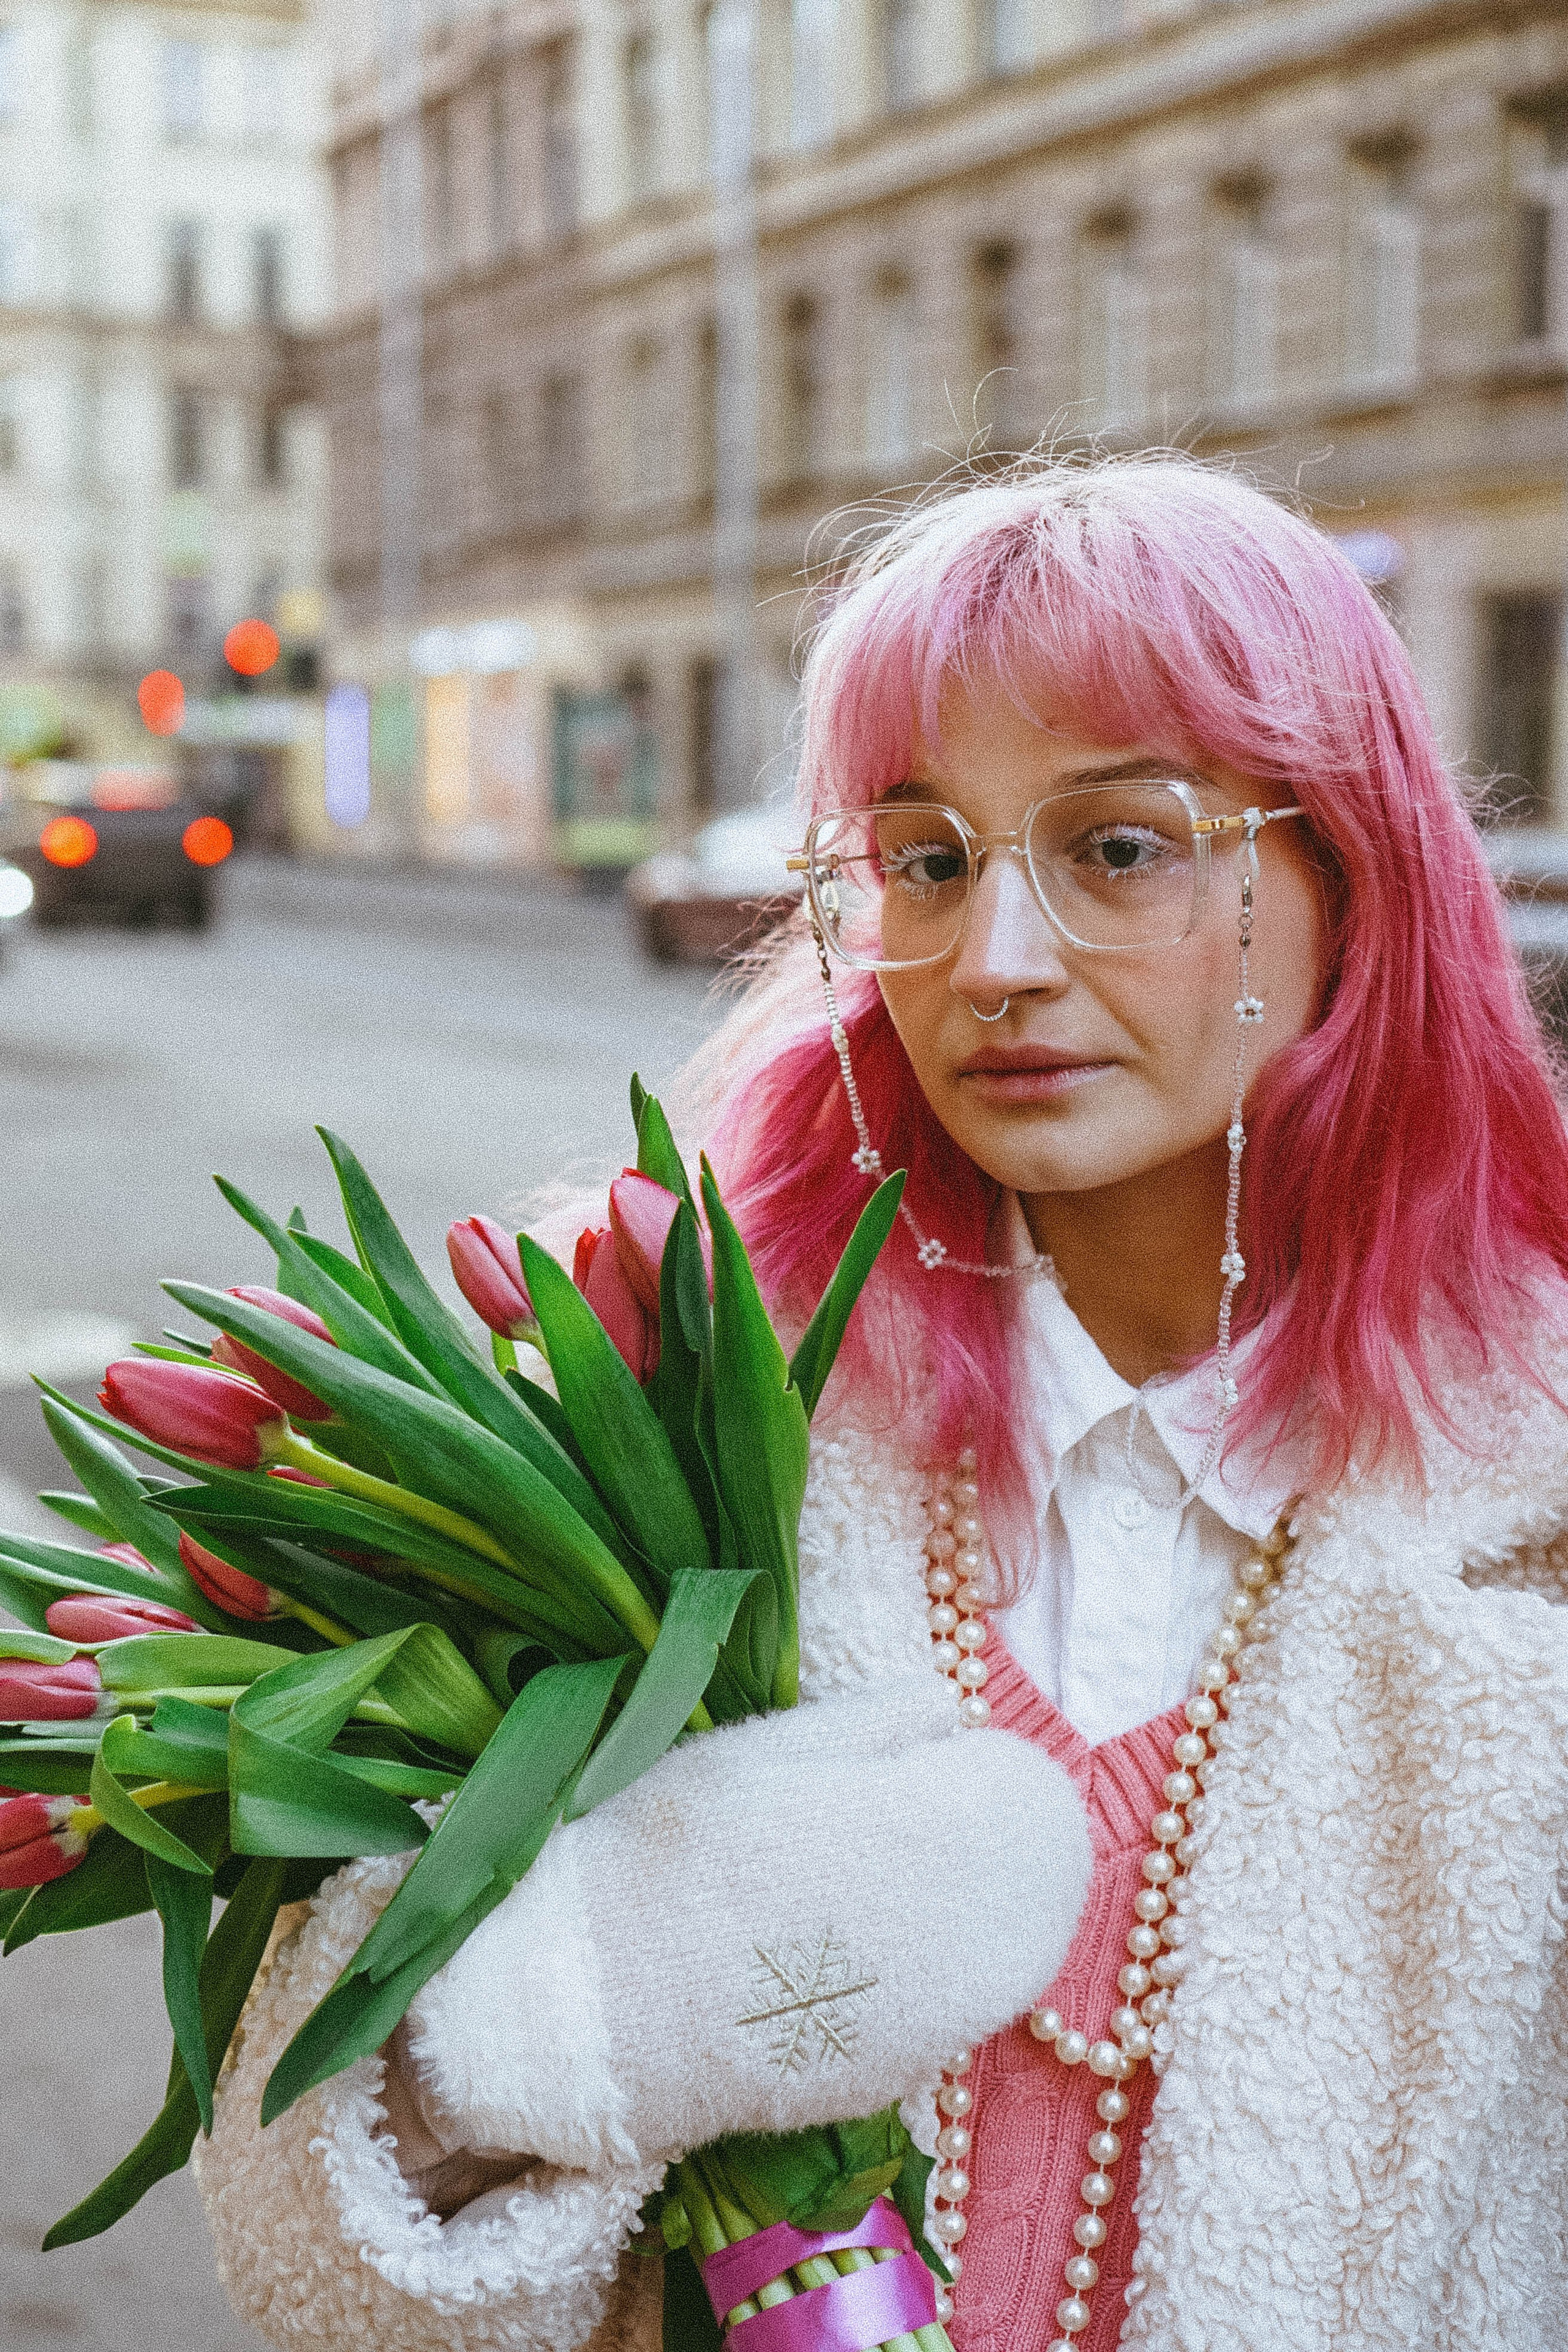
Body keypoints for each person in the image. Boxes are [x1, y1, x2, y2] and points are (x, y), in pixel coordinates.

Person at [194, 455, 1568, 2352]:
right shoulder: (669, 1416)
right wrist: (590, 2008)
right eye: (926, 861)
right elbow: (311, 2248)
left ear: (1351, 876)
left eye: (1120, 848)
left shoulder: (1534, 1518)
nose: (996, 965)